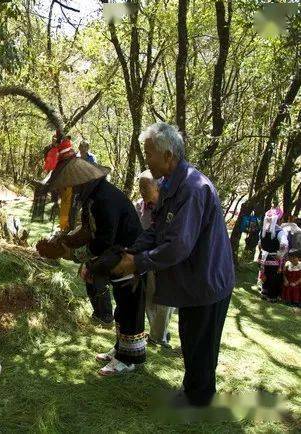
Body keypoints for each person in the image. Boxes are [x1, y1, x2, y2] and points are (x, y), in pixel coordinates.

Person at [112, 122, 234, 407]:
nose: (146, 160)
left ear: (168, 156)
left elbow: (179, 245)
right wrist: (132, 251)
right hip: (193, 282)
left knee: (201, 344)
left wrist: (138, 263)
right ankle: (192, 393)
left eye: (149, 153)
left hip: (208, 280)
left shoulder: (193, 188)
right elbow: (156, 229)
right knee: (191, 339)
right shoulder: (169, 185)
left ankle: (198, 402)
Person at [48, 158, 145, 376]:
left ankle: (127, 360)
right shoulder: (92, 198)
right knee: (122, 305)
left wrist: (76, 256)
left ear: (80, 183)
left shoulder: (104, 199)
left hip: (128, 258)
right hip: (116, 256)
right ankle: (121, 349)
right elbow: (87, 231)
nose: (66, 192)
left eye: (68, 187)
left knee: (129, 306)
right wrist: (66, 240)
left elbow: (103, 240)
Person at [135, 170, 175, 348]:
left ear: (158, 187)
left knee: (167, 300)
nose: (142, 191)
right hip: (147, 259)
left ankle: (160, 334)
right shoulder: (138, 207)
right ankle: (157, 333)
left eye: (146, 187)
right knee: (150, 297)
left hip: (166, 258)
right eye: (140, 187)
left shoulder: (170, 207)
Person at [258, 213, 288, 301]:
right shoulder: (280, 231)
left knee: (265, 275)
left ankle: (264, 293)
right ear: (278, 220)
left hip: (264, 257)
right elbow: (284, 244)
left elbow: (259, 244)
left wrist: (262, 253)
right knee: (273, 277)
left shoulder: (262, 231)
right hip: (273, 257)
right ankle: (271, 296)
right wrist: (280, 254)